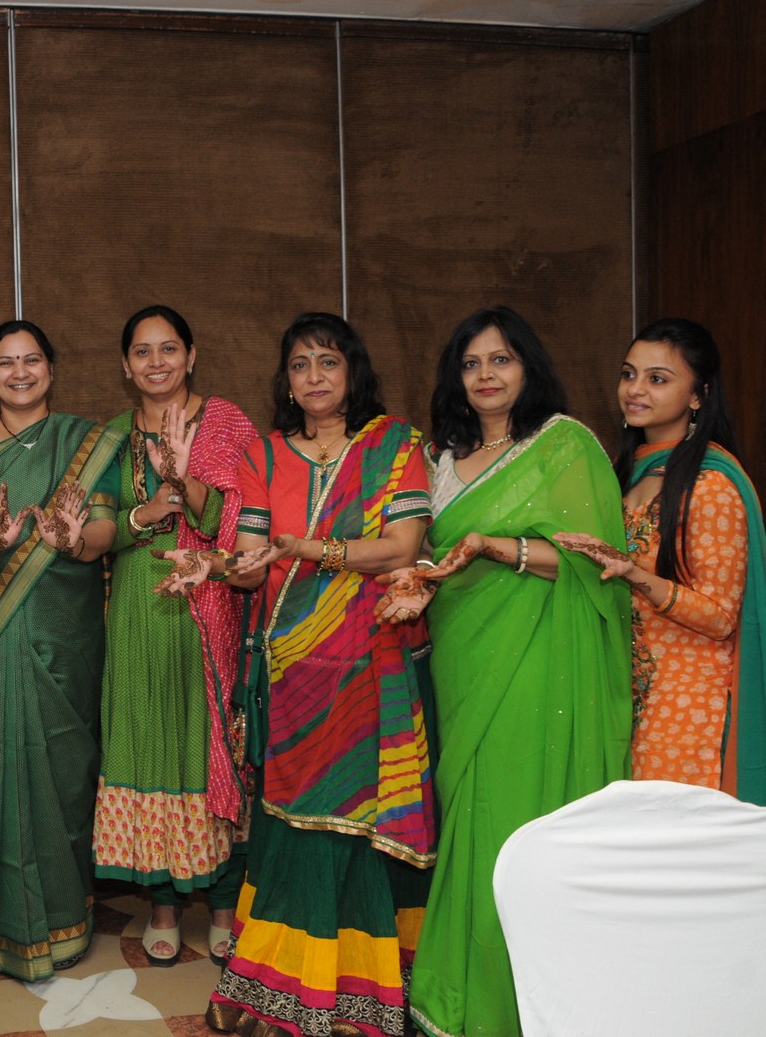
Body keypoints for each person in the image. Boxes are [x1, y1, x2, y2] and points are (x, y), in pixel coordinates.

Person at [160, 313, 437, 1036]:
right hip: (291, 663)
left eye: (328, 362)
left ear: (353, 371)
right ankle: (265, 977)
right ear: (285, 379)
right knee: (287, 825)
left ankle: (357, 992)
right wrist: (213, 565)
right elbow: (254, 561)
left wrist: (313, 548)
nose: (313, 377)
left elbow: (403, 543)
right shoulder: (267, 456)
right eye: (299, 365)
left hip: (369, 659)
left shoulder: (393, 446)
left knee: (354, 823)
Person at [375, 305, 631, 1037]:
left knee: (520, 814)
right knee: (473, 808)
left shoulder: (564, 444)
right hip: (464, 653)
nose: (486, 375)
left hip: (541, 657)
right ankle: (461, 989)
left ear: (528, 367)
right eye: (472, 363)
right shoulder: (439, 458)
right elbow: (435, 553)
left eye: (502, 360)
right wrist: (417, 581)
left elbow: (592, 561)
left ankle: (529, 1003)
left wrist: (501, 548)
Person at [0, 319, 124, 982]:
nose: (20, 372)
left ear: (51, 367)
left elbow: (102, 527)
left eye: (32, 360)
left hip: (66, 629)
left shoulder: (90, 441)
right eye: (6, 363)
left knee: (64, 766)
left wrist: (74, 539)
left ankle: (64, 920)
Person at [92, 306, 257, 967]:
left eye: (168, 349)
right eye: (141, 350)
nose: (155, 361)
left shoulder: (228, 423)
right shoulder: (109, 436)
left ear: (192, 355)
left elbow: (245, 522)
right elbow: (96, 528)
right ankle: (161, 902)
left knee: (205, 744)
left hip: (207, 600)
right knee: (146, 742)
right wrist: (145, 510)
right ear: (125, 364)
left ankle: (221, 902)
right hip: (135, 605)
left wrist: (186, 481)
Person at [557, 319, 766, 800]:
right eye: (629, 374)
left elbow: (719, 617)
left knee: (673, 854)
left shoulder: (711, 486)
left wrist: (635, 575)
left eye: (658, 378)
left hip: (686, 708)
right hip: (621, 695)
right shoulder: (626, 473)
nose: (635, 390)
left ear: (698, 395)